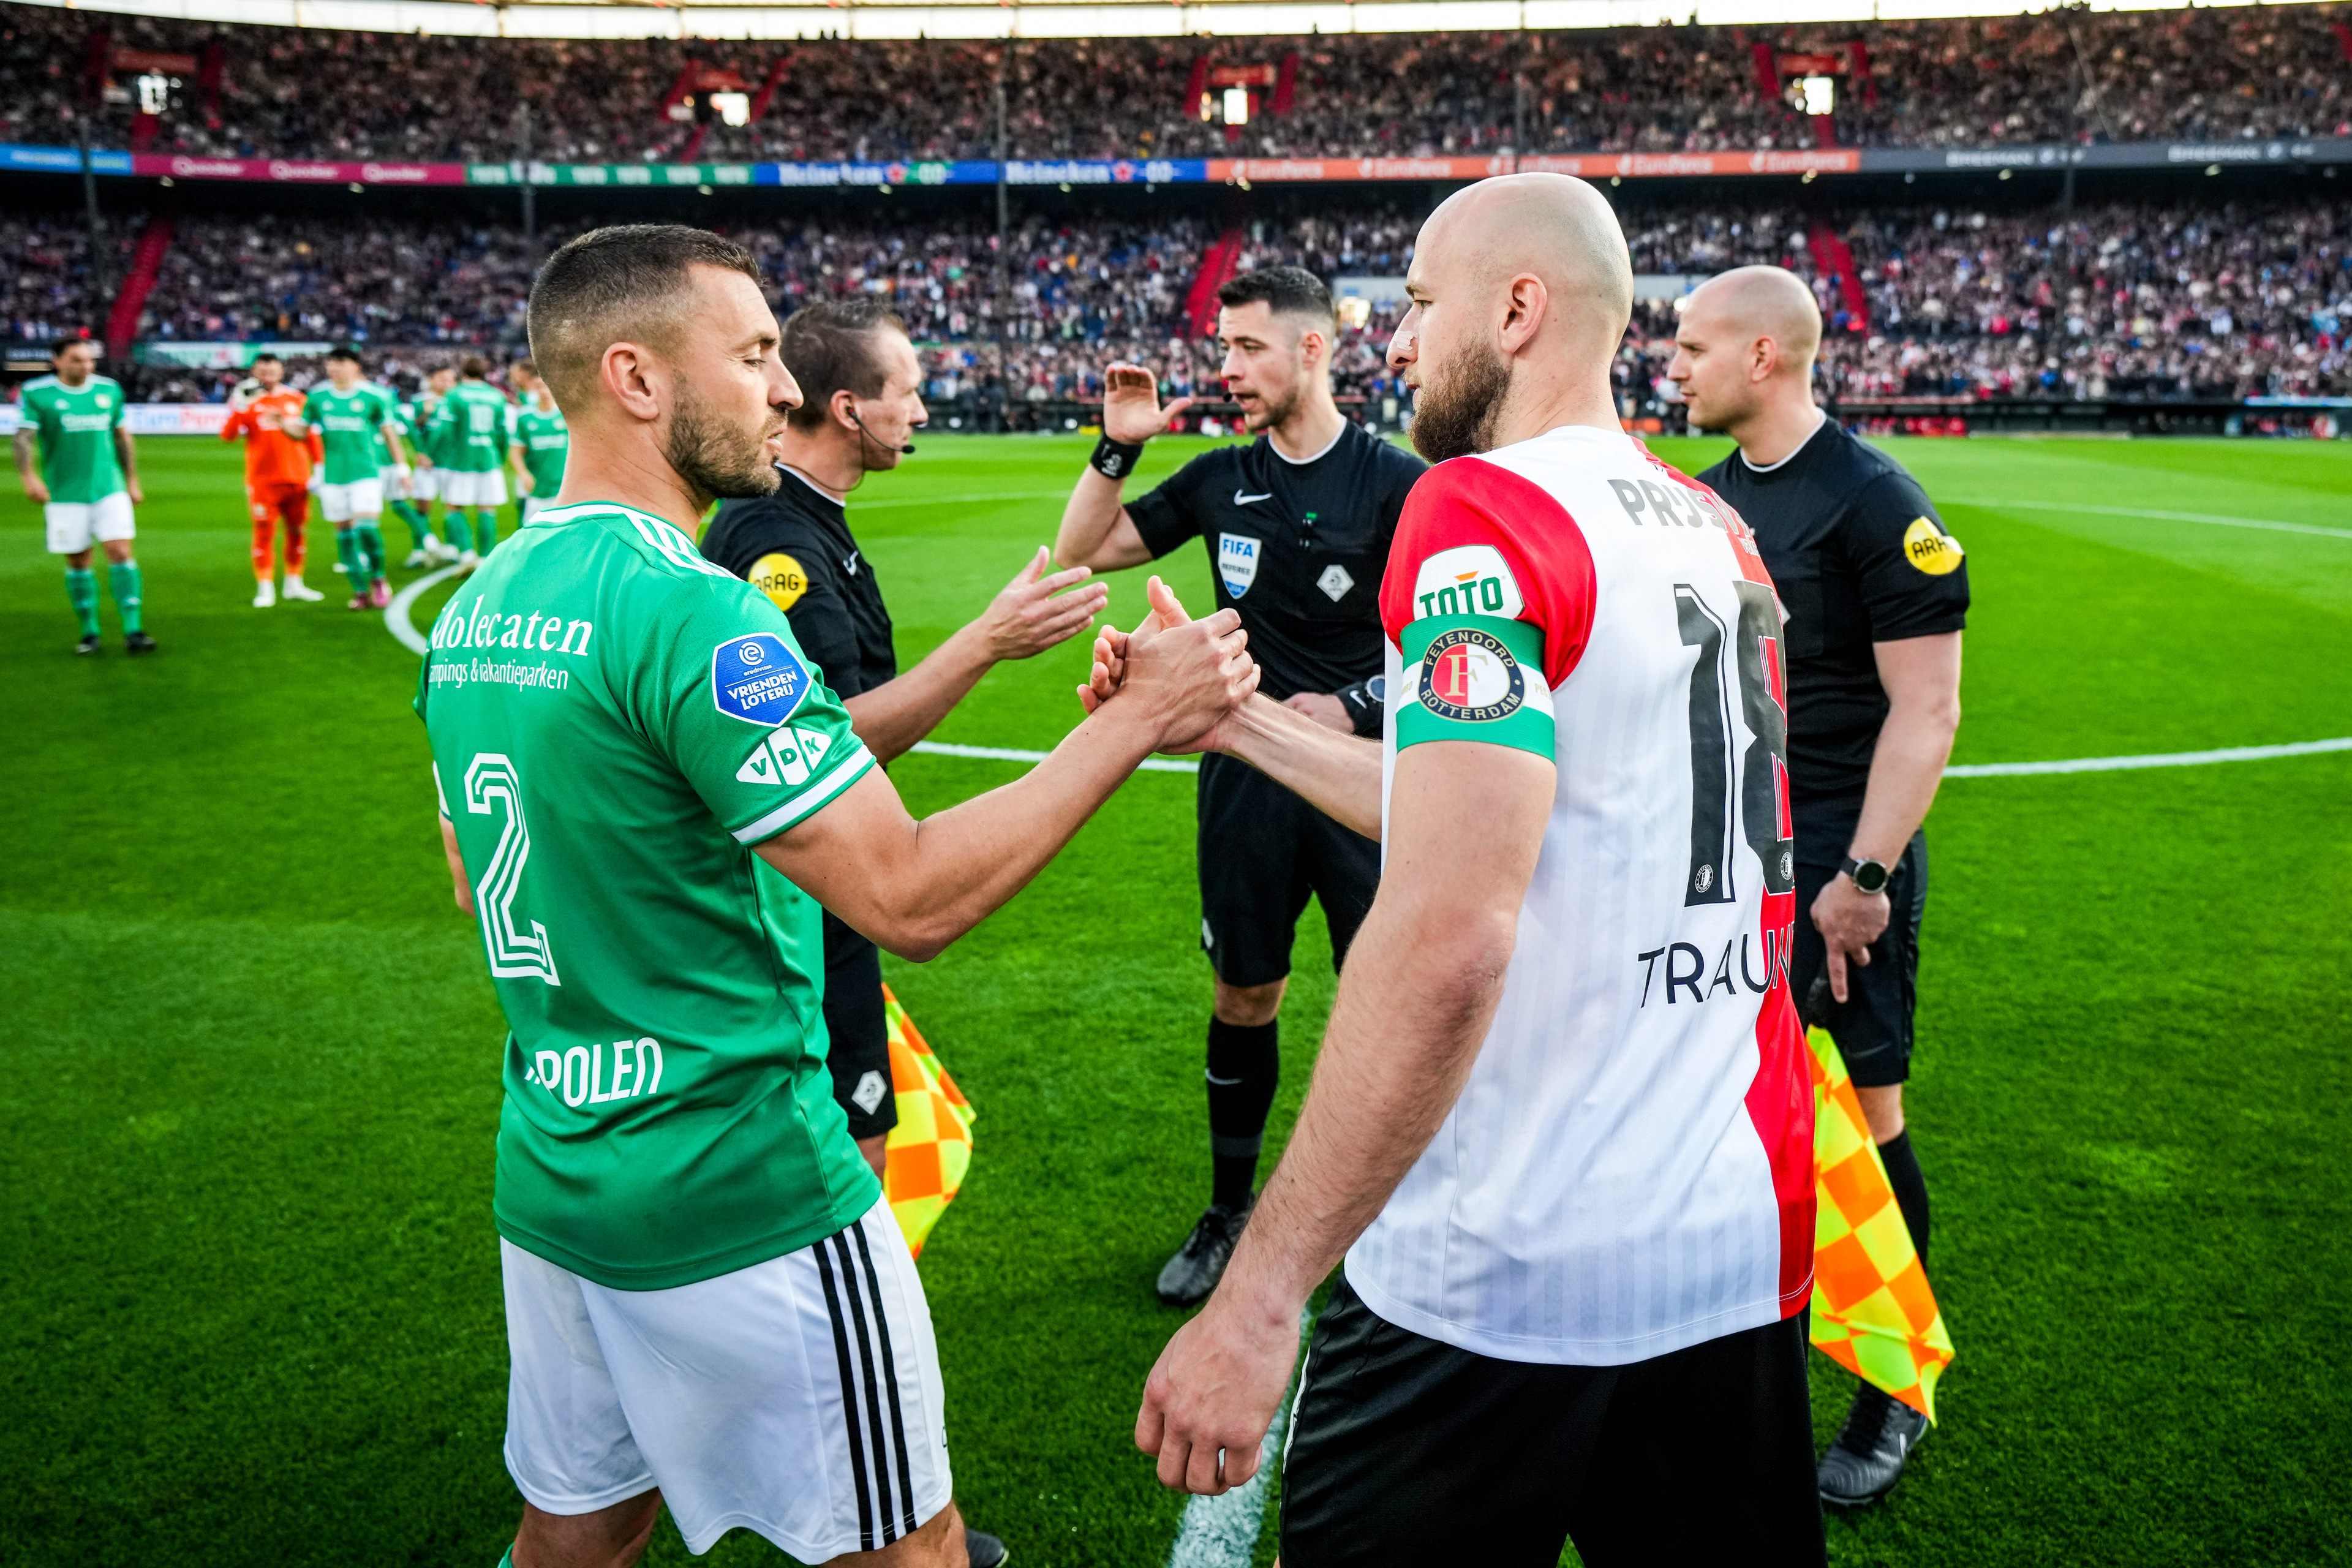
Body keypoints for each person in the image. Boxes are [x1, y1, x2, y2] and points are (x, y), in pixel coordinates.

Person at [416, 224, 1254, 1568]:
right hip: (741, 1181)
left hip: (559, 1173)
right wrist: (1137, 718)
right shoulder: (695, 609)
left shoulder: (485, 596)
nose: (781, 391)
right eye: (752, 357)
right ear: (636, 378)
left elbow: (474, 875)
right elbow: (908, 894)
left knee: (574, 1533)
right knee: (912, 1553)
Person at [1122, 174, 1824, 1566]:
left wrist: (1264, 1289)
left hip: (1507, 1252)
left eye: (1421, 306)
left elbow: (1449, 925)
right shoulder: (1708, 525)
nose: (1393, 340)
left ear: (1516, 309)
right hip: (1731, 1231)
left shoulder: (1483, 510)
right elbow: (1514, 814)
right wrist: (1233, 718)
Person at [1052, 266, 1425, 1306]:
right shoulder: (1220, 478)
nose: (1226, 370)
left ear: (1314, 348)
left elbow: (1445, 644)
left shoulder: (1400, 483)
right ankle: (1229, 1210)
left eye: (1246, 348)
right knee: (1244, 992)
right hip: (1244, 780)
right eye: (1223, 348)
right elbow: (1083, 551)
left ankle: (1393, 1209)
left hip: (1365, 777)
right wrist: (1119, 446)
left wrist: (1350, 704)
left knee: (1387, 999)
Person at [1671, 264, 1967, 1509]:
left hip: (1843, 865)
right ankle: (1762, 1346)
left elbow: (1929, 708)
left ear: (1763, 357)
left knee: (1866, 1115)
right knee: (1754, 1111)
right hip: (1743, 859)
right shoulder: (1703, 496)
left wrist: (1864, 875)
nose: (1671, 365)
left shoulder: (1871, 500)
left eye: (1690, 347)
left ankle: (1891, 1382)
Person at [703, 298, 1109, 1183]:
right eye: (909, 391)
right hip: (809, 890)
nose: (922, 411)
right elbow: (823, 745)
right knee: (856, 1153)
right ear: (850, 408)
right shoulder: (776, 543)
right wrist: (986, 644)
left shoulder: (803, 517)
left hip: (823, 883)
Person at [13, 337, 154, 655]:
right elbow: (23, 438)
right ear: (57, 361)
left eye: (90, 360)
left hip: (109, 488)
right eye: (77, 360)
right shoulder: (38, 393)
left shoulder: (108, 390)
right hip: (65, 494)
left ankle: (134, 630)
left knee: (120, 551)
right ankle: (90, 632)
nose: (86, 366)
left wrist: (131, 480)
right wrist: (29, 477)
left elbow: (121, 437)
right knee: (79, 560)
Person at [295, 345, 408, 611]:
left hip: (366, 473)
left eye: (341, 363)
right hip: (333, 476)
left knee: (367, 528)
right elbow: (300, 432)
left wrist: (403, 469)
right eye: (332, 363)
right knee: (344, 536)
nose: (335, 367)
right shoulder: (318, 396)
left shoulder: (373, 397)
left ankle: (378, 577)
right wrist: (281, 423)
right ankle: (359, 591)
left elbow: (390, 435)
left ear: (355, 366)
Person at [223, 352, 324, 610]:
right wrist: (240, 406)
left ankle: (294, 584)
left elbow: (311, 437)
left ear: (281, 371)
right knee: (264, 534)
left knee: (297, 532)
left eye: (272, 370)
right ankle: (265, 587)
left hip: (297, 478)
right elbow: (229, 436)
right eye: (262, 371)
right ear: (255, 373)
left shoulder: (297, 399)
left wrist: (319, 469)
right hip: (263, 481)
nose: (267, 376)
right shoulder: (248, 401)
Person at [430, 355, 511, 570]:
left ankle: (467, 554)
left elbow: (444, 430)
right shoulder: (496, 396)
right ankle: (485, 558)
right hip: (488, 459)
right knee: (487, 508)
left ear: (462, 372)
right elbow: (503, 432)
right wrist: (500, 456)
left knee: (454, 507)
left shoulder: (454, 395)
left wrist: (432, 453)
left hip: (461, 460)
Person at [507, 359, 569, 526]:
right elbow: (515, 452)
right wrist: (524, 474)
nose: (545, 391)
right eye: (539, 386)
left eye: (547, 386)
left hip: (564, 487)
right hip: (537, 487)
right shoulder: (526, 417)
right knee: (530, 533)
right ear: (533, 389)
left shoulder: (568, 416)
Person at [412, 363, 458, 560]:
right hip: (427, 463)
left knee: (454, 506)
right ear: (432, 380)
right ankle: (420, 549)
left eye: (450, 380)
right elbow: (414, 429)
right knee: (423, 505)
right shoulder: (420, 401)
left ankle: (452, 547)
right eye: (442, 379)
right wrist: (421, 453)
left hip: (453, 462)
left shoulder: (457, 402)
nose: (446, 383)